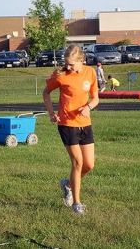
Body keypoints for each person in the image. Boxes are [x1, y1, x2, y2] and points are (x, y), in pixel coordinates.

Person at [42, 45, 99, 215]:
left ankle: (68, 185)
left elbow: (96, 98)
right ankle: (76, 203)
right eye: (66, 63)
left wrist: (89, 107)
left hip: (85, 123)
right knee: (77, 162)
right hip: (66, 124)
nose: (68, 67)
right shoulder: (61, 75)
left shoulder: (90, 72)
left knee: (89, 165)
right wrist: (52, 113)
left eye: (72, 65)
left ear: (82, 61)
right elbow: (46, 93)